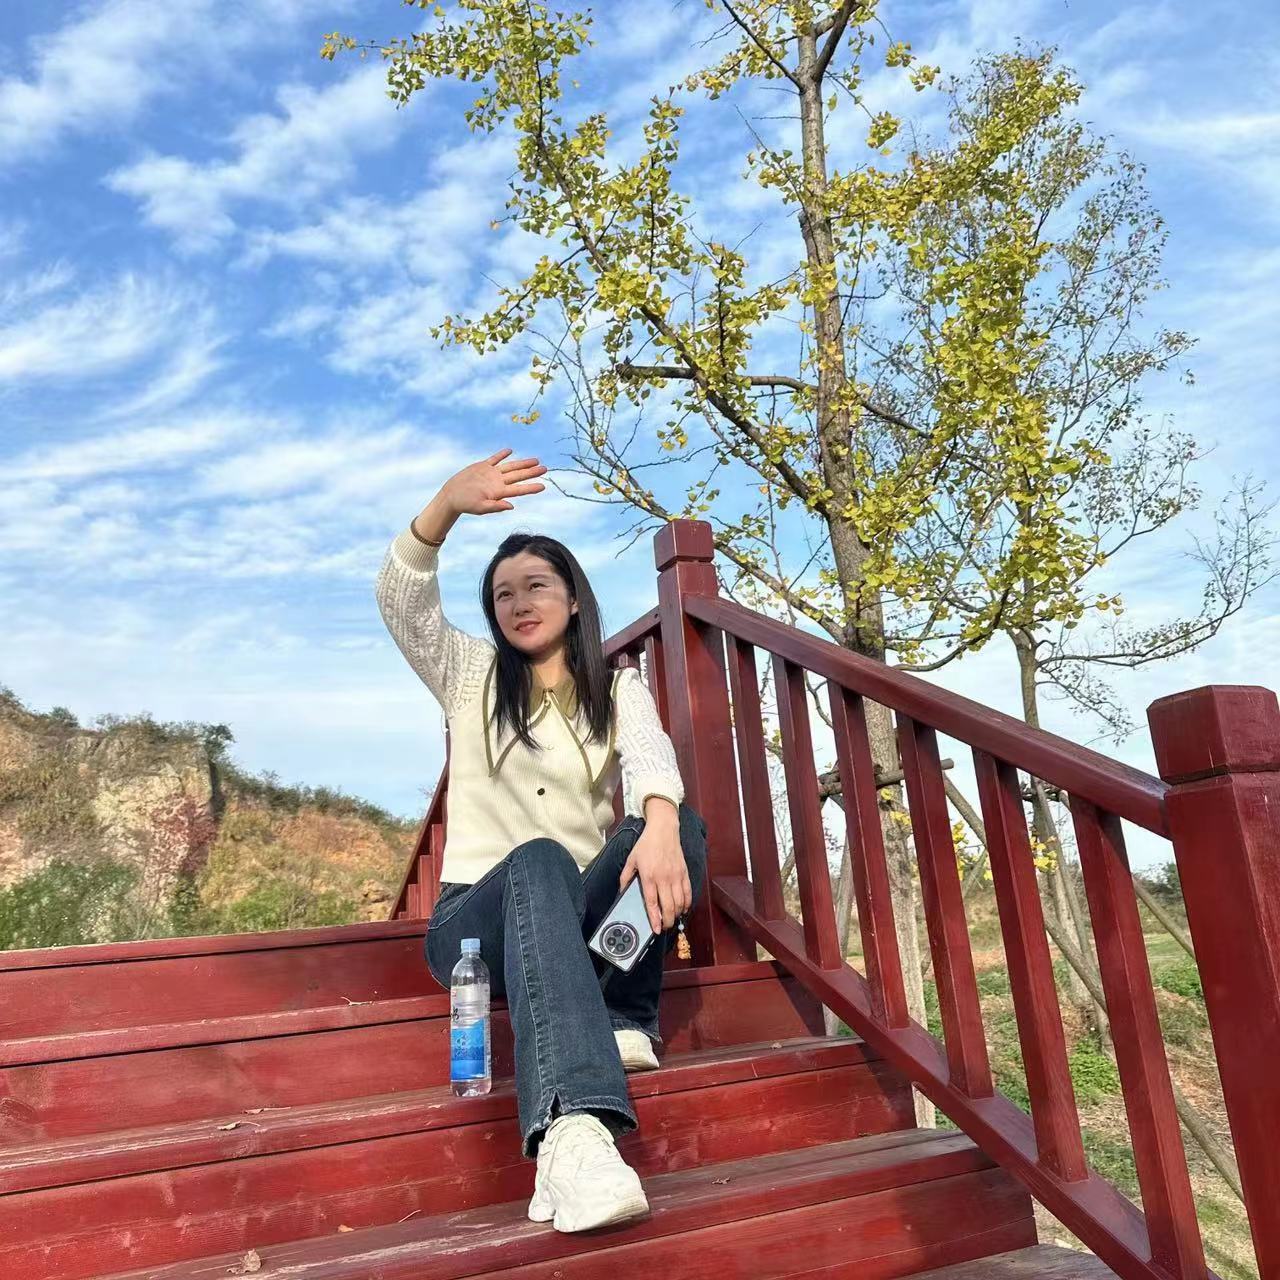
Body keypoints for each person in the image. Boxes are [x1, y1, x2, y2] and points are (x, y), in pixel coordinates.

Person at [374, 446, 708, 1234]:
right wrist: (444, 506)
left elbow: (652, 760)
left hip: (575, 922)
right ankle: (570, 1131)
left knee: (675, 825)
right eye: (503, 594)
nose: (519, 603)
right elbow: (401, 601)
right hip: (475, 928)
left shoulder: (616, 688)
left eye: (536, 586)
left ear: (573, 599)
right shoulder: (470, 674)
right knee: (539, 857)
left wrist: (661, 819)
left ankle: (623, 1013)